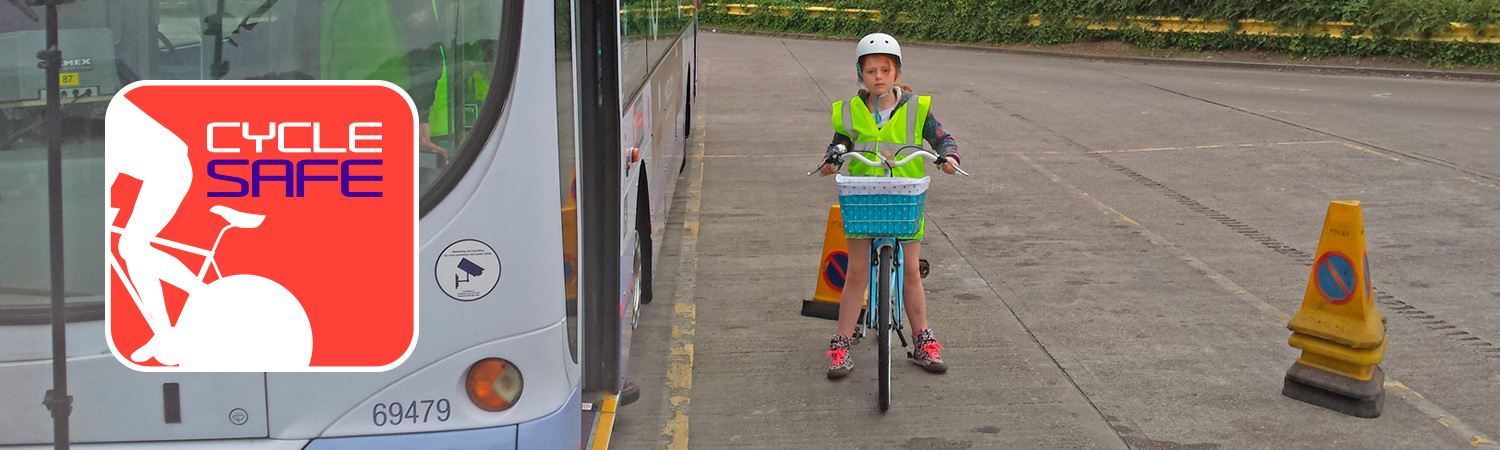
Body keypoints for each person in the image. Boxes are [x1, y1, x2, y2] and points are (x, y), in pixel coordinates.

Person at [816, 33, 962, 379]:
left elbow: (942, 137)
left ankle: (923, 341)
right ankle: (840, 344)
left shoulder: (916, 108)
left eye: (885, 69)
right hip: (863, 197)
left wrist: (950, 156)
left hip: (903, 198)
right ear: (859, 74)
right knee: (855, 273)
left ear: (897, 71)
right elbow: (838, 146)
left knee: (912, 271)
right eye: (870, 71)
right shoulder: (849, 111)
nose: (878, 76)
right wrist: (829, 161)